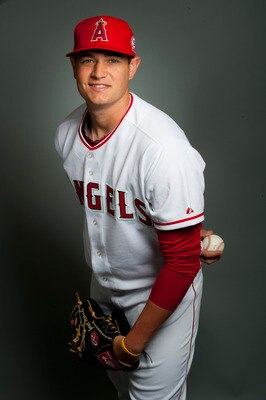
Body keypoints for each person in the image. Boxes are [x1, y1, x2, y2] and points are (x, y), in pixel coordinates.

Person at [55, 15, 223, 400]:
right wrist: (191, 232)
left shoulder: (162, 149)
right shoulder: (66, 135)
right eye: (88, 59)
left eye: (113, 59)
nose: (99, 72)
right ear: (73, 66)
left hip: (164, 294)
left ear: (133, 66)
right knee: (120, 392)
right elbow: (121, 210)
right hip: (103, 289)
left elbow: (181, 264)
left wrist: (132, 344)